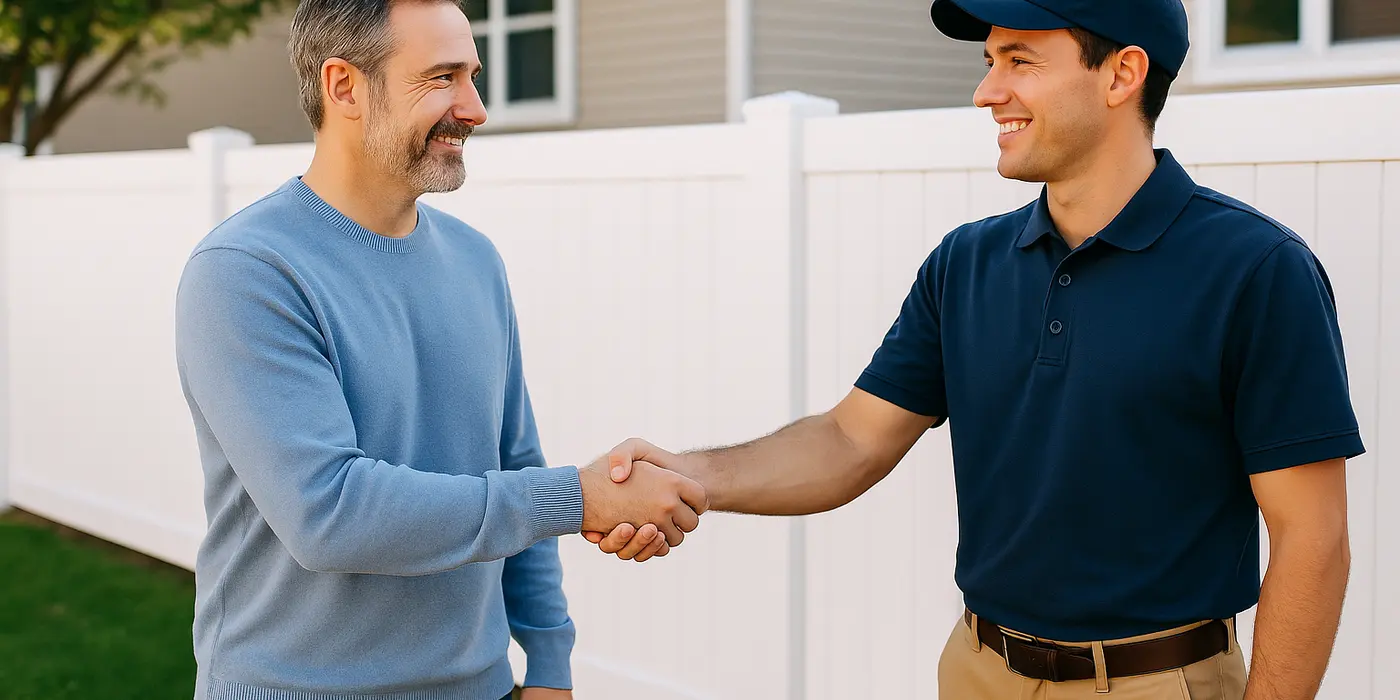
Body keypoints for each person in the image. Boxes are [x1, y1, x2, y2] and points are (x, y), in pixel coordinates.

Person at [588, 1, 1363, 698]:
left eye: (1021, 61)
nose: (988, 92)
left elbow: (1312, 537)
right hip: (977, 672)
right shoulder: (965, 264)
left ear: (1123, 73)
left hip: (1158, 684)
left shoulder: (1256, 271)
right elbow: (850, 438)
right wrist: (692, 475)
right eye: (989, 62)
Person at [173, 2, 706, 699]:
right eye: (443, 77)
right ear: (344, 87)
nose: (476, 109)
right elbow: (331, 515)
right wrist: (581, 497)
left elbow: (514, 463)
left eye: (473, 76)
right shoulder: (248, 272)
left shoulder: (476, 261)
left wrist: (547, 662)